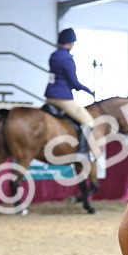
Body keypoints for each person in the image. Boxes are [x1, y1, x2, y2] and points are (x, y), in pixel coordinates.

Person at [45, 28, 104, 178]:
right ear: (71, 43)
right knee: (88, 121)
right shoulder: (67, 59)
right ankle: (84, 152)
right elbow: (73, 82)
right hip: (63, 98)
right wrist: (88, 90)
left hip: (50, 96)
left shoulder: (53, 56)